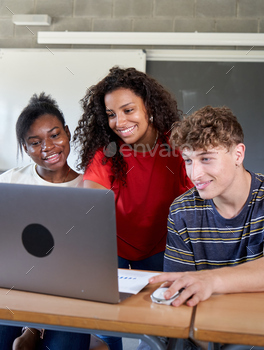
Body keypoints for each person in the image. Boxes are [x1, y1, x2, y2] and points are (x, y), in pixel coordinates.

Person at [73, 66, 193, 350]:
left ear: (148, 107)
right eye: (112, 114)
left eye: (128, 110)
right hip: (111, 246)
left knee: (157, 325)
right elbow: (92, 204)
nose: (119, 122)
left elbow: (195, 200)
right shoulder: (107, 151)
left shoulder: (176, 148)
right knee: (105, 325)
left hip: (161, 246)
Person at [149, 105, 264, 310]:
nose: (195, 175)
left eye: (206, 158)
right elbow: (178, 291)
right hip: (200, 329)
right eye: (188, 161)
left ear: (238, 155)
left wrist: (212, 280)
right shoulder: (182, 211)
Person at [0, 93, 90, 349]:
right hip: (13, 289)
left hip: (69, 293)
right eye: (35, 142)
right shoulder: (9, 182)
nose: (48, 147)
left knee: (65, 344)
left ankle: (34, 330)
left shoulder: (89, 187)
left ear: (68, 133)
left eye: (54, 135)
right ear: (26, 148)